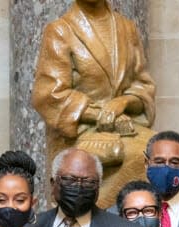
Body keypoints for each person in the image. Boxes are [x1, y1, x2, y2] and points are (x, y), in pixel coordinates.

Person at [31, 0, 156, 209]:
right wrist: (98, 114)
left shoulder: (127, 28)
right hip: (79, 133)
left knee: (163, 152)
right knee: (143, 156)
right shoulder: (61, 30)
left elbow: (143, 85)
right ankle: (110, 225)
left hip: (126, 128)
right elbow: (48, 95)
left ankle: (160, 224)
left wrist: (122, 102)